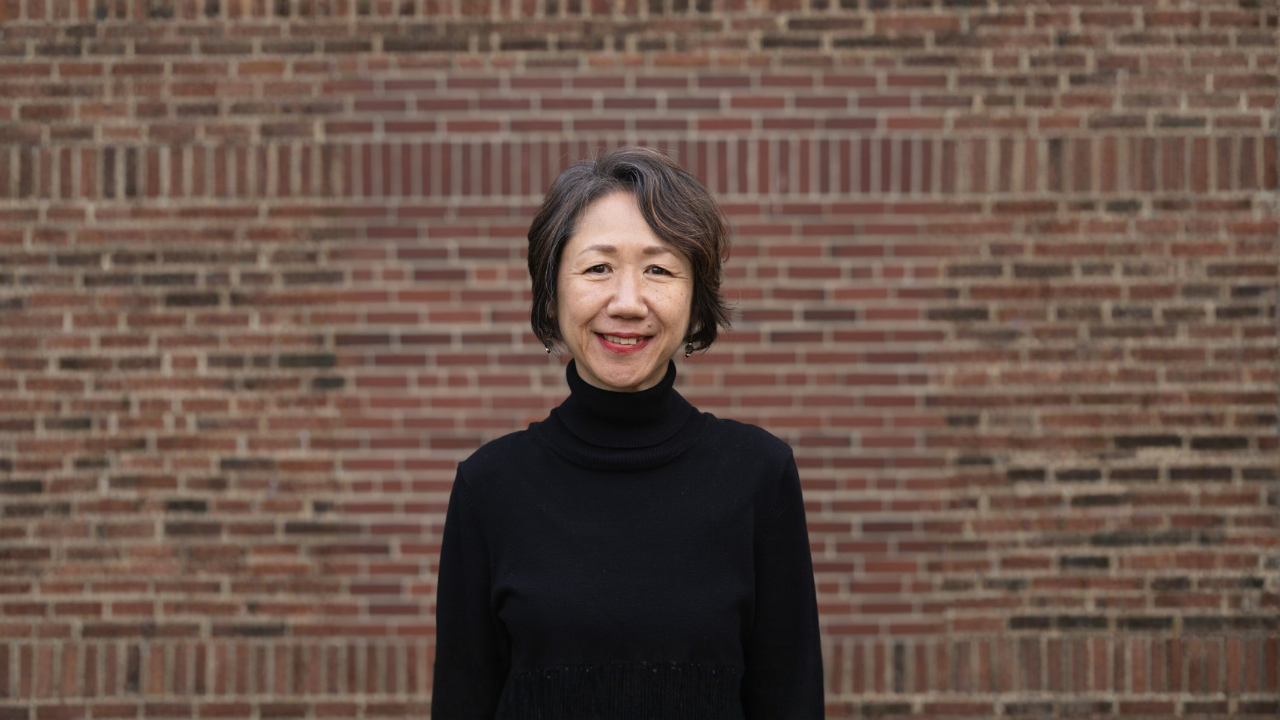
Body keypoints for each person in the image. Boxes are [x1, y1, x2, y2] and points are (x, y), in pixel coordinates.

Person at [431, 146, 824, 719]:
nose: (628, 302)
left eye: (659, 270)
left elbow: (791, 701)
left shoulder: (758, 476)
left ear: (695, 303)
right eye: (598, 268)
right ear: (551, 291)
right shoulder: (489, 487)